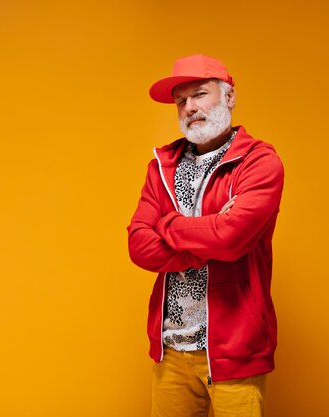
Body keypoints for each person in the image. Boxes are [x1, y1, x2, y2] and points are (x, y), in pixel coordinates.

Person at [127, 54, 284, 417]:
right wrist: (206, 239)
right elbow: (138, 246)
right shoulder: (162, 166)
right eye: (181, 101)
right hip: (171, 351)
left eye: (199, 94)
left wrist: (166, 225)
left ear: (229, 97)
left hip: (234, 352)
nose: (189, 108)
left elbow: (230, 238)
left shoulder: (258, 163)